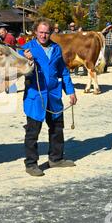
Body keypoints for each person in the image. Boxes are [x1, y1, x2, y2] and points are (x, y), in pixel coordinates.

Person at [20, 18, 77, 177]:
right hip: (35, 96)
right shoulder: (27, 48)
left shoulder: (56, 48)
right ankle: (31, 164)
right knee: (33, 132)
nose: (44, 35)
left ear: (50, 33)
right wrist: (24, 57)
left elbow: (63, 72)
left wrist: (71, 91)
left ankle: (56, 159)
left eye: (46, 32)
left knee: (57, 129)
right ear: (35, 32)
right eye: (41, 32)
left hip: (53, 95)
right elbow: (15, 60)